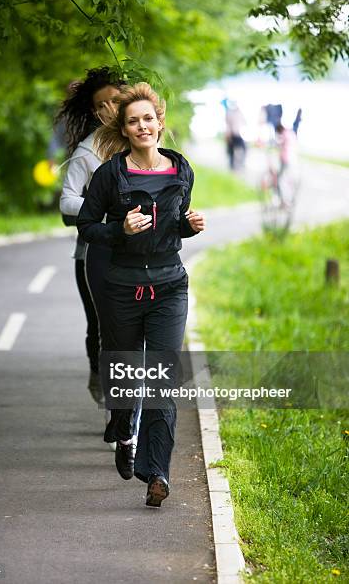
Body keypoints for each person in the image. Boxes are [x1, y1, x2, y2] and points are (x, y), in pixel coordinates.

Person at [76, 82, 205, 507]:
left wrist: (189, 224)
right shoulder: (109, 174)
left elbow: (173, 225)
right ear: (125, 129)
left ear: (160, 122)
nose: (142, 125)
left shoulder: (181, 168)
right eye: (133, 121)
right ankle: (123, 427)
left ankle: (158, 474)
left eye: (148, 118)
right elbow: (88, 226)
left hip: (169, 284)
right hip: (122, 288)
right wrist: (121, 229)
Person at [57, 68, 126, 404]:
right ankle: (101, 381)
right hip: (93, 254)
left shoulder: (142, 138)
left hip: (140, 254)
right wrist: (104, 206)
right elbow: (67, 200)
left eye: (116, 100)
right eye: (102, 105)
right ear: (95, 111)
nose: (110, 108)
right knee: (99, 327)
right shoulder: (88, 150)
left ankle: (132, 399)